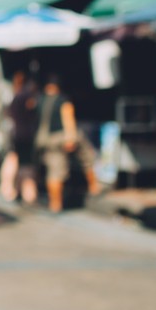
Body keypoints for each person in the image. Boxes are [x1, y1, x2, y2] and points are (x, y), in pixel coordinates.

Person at [33, 74, 101, 213]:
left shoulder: (39, 100)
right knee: (87, 157)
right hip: (61, 137)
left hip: (45, 140)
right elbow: (68, 118)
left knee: (54, 170)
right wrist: (71, 138)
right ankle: (94, 186)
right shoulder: (63, 100)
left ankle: (55, 204)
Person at [0, 71, 38, 203]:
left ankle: (11, 189)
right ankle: (26, 193)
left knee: (14, 160)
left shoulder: (14, 96)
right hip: (24, 135)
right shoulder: (25, 96)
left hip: (15, 134)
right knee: (24, 164)